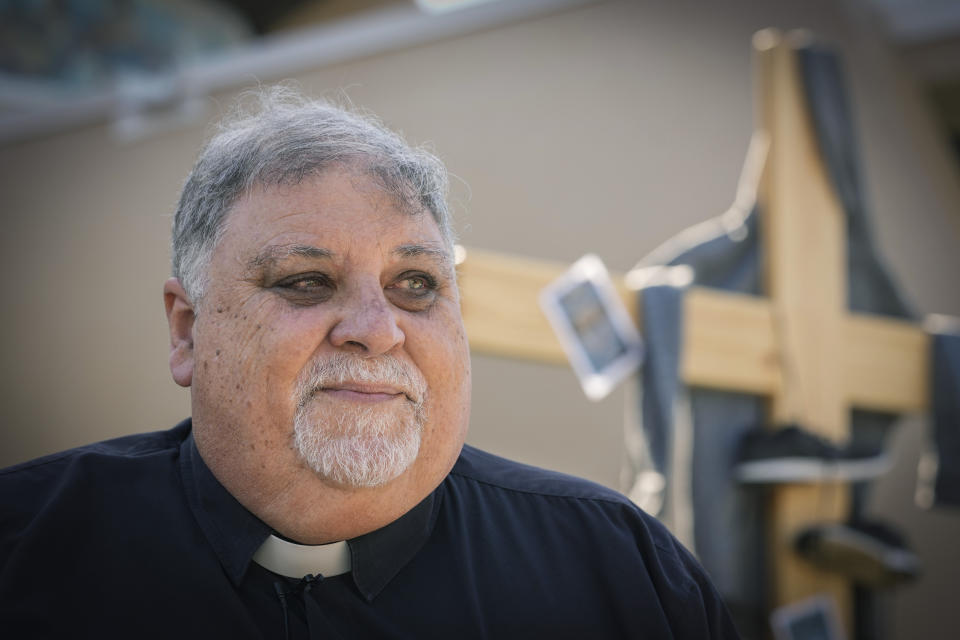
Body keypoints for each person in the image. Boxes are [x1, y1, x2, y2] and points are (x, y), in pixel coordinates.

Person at [0, 88, 740, 639]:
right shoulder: (25, 546)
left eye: (415, 285)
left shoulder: (618, 572)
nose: (377, 330)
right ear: (189, 332)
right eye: (305, 281)